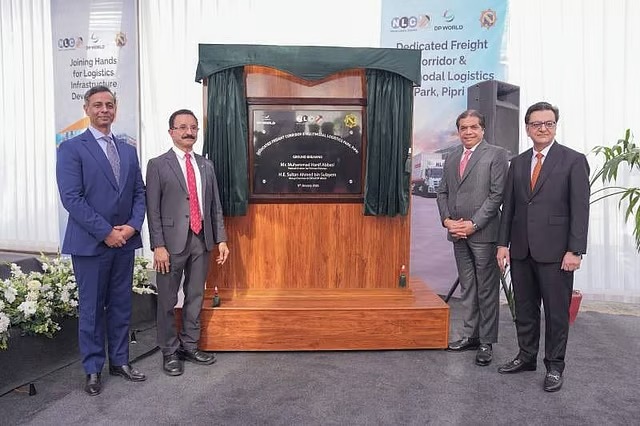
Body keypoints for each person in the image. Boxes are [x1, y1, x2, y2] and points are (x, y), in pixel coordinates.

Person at [56, 85, 146, 396]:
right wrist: (106, 232)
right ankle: (93, 369)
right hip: (90, 244)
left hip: (125, 242)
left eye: (109, 104)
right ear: (86, 109)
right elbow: (72, 198)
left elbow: (138, 193)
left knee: (121, 305)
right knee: (92, 309)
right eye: (97, 105)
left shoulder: (128, 150)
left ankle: (120, 361)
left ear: (115, 109)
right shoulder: (71, 149)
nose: (104, 110)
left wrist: (131, 227)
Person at [496, 102, 590, 392]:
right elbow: (509, 207)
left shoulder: (573, 160)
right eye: (536, 124)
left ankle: (555, 367)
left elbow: (580, 210)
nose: (542, 128)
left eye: (548, 123)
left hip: (557, 253)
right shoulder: (518, 162)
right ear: (527, 129)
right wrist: (502, 244)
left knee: (556, 313)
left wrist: (575, 250)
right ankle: (526, 357)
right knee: (525, 309)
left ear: (555, 126)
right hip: (521, 250)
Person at [146, 109, 229, 376]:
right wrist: (158, 245)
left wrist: (221, 239)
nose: (188, 132)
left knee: (195, 296)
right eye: (182, 127)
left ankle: (190, 345)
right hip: (170, 245)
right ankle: (170, 351)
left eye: (193, 127)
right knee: (167, 299)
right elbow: (152, 209)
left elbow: (215, 206)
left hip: (201, 239)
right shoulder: (158, 165)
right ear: (171, 132)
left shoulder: (206, 165)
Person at [437, 109, 509, 366]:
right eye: (463, 128)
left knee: (486, 289)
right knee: (468, 287)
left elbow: (497, 195)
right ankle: (471, 336)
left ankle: (486, 342)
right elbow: (442, 192)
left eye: (473, 127)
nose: (468, 132)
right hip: (457, 233)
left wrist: (474, 224)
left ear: (482, 129)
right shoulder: (452, 156)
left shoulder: (496, 155)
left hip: (484, 234)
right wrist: (447, 221)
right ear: (458, 131)